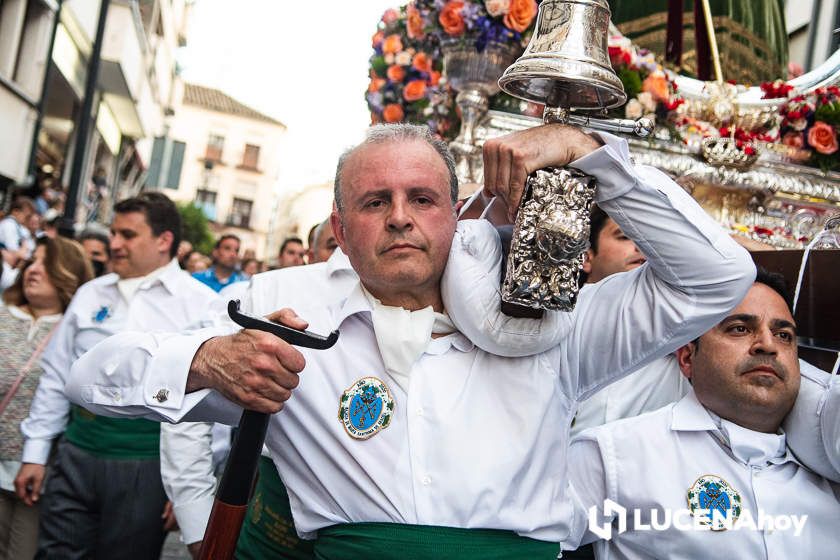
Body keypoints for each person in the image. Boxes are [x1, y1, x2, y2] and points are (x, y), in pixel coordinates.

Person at [65, 123, 754, 557]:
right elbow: (93, 374)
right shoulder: (282, 305)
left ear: (454, 215)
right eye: (374, 202)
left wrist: (591, 155)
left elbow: (718, 278)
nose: (400, 219)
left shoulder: (554, 319)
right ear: (339, 228)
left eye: (422, 200)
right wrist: (207, 362)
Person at [569, 271, 840, 558]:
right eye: (739, 328)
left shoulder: (828, 472)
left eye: (783, 335)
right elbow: (535, 543)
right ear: (687, 358)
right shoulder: (616, 454)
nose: (768, 345)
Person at [16, 192, 220, 559]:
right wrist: (35, 452)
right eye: (113, 233)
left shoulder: (201, 304)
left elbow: (213, 408)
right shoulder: (90, 294)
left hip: (144, 464)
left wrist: (188, 490)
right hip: (76, 452)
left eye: (127, 235)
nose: (114, 244)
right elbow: (56, 375)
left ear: (163, 241)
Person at [0, 237, 92, 560]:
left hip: (37, 475)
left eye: (45, 264)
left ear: (68, 274)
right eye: (30, 262)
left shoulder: (79, 332)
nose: (33, 270)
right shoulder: (2, 314)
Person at [0, 197, 36, 269]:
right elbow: (15, 254)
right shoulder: (9, 224)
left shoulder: (17, 226)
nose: (27, 219)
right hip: (7, 269)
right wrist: (24, 248)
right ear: (15, 211)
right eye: (27, 216)